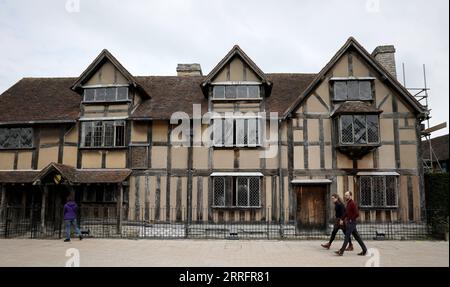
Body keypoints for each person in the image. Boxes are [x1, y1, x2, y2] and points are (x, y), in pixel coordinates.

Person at [335, 191, 367, 256]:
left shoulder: (352, 203)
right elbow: (346, 213)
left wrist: (350, 219)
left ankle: (341, 251)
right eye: (345, 195)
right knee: (357, 237)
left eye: (347, 195)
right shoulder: (348, 203)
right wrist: (342, 219)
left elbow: (357, 214)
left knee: (347, 236)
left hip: (351, 223)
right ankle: (364, 250)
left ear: (350, 196)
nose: (345, 196)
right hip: (351, 223)